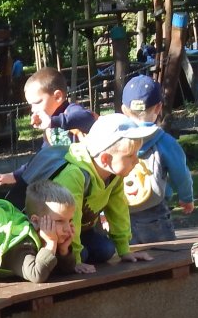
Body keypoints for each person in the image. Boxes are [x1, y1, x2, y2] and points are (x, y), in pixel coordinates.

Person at [51, 113, 154, 266]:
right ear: (105, 159)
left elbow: (118, 211)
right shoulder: (74, 176)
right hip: (54, 236)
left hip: (83, 231)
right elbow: (73, 219)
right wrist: (76, 260)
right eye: (130, 155)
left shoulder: (114, 175)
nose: (136, 160)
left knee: (106, 250)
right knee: (83, 254)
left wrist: (124, 249)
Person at [0, 180, 83, 284]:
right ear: (36, 221)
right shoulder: (22, 241)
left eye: (69, 220)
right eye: (59, 221)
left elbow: (65, 270)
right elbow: (36, 275)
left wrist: (63, 250)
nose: (67, 228)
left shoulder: (45, 236)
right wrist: (51, 244)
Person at [119, 75, 196, 244]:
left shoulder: (117, 141)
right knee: (164, 252)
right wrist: (186, 198)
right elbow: (181, 173)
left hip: (121, 211)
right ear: (159, 107)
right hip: (156, 211)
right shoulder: (165, 141)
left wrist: (104, 212)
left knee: (129, 255)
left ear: (124, 110)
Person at [0, 69, 97, 186]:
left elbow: (87, 118)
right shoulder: (50, 129)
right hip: (63, 179)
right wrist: (16, 175)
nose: (33, 109)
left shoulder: (71, 111)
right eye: (31, 105)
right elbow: (43, 157)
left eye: (37, 102)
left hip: (85, 178)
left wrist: (53, 121)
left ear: (57, 97)